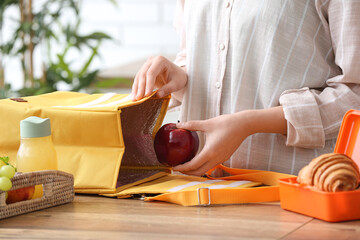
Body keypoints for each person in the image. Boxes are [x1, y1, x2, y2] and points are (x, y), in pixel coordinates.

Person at [131, 0, 360, 176]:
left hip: (293, 194)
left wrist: (249, 124)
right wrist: (180, 75)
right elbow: (196, 51)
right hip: (196, 190)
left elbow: (355, 93)